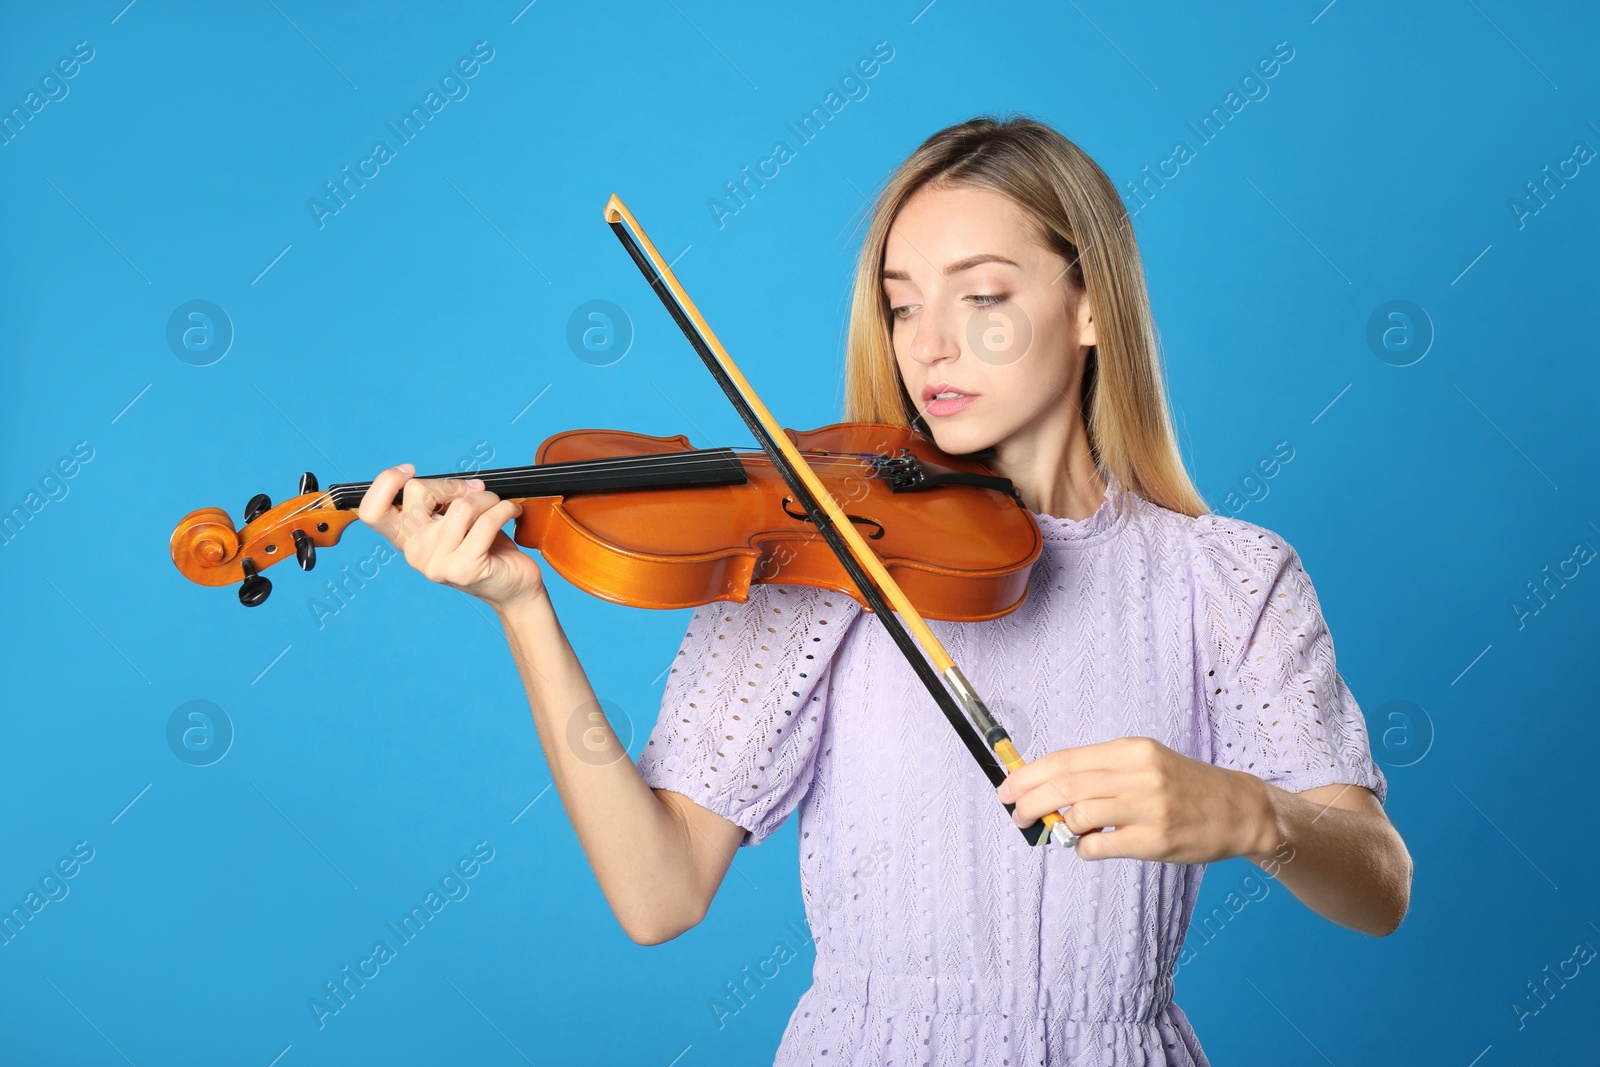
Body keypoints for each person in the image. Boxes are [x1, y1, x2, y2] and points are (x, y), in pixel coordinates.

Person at [356, 114, 1412, 1066]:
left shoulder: (1227, 576)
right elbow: (657, 889)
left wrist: (1252, 811)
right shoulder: (821, 552)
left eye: (983, 297)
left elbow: (1377, 884)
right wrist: (523, 608)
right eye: (902, 306)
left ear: (1090, 308)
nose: (930, 345)